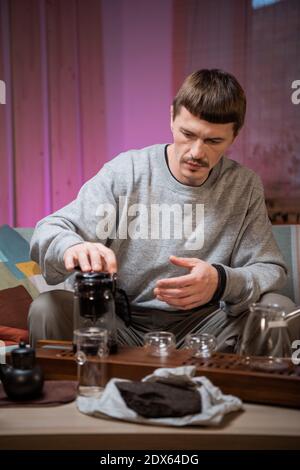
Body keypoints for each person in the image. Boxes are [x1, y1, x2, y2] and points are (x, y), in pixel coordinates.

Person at [28, 69, 295, 350]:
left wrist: (221, 281)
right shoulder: (125, 172)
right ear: (171, 117)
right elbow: (50, 229)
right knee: (48, 308)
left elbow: (270, 269)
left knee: (278, 310)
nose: (196, 152)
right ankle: (64, 394)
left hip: (207, 328)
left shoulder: (244, 185)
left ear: (234, 137)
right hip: (120, 325)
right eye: (187, 134)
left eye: (213, 141)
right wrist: (72, 247)